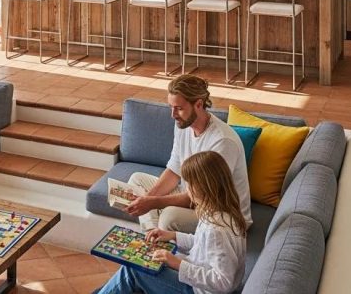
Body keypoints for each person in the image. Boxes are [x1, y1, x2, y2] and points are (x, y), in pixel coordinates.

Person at [97, 150, 248, 294]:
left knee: (133, 269)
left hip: (196, 290)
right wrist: (173, 235)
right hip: (196, 279)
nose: (187, 190)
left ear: (204, 188)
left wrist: (177, 264)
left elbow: (224, 282)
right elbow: (204, 244)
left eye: (189, 184)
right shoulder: (219, 213)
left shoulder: (217, 229)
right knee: (138, 265)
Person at [124, 75, 251, 234]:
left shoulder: (222, 141)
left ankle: (158, 237)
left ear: (198, 104)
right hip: (195, 197)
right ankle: (154, 235)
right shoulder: (183, 125)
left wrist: (153, 203)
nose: (173, 114)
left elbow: (202, 196)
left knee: (169, 216)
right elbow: (174, 170)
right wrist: (147, 199)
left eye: (179, 108)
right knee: (137, 181)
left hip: (222, 214)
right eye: (171, 107)